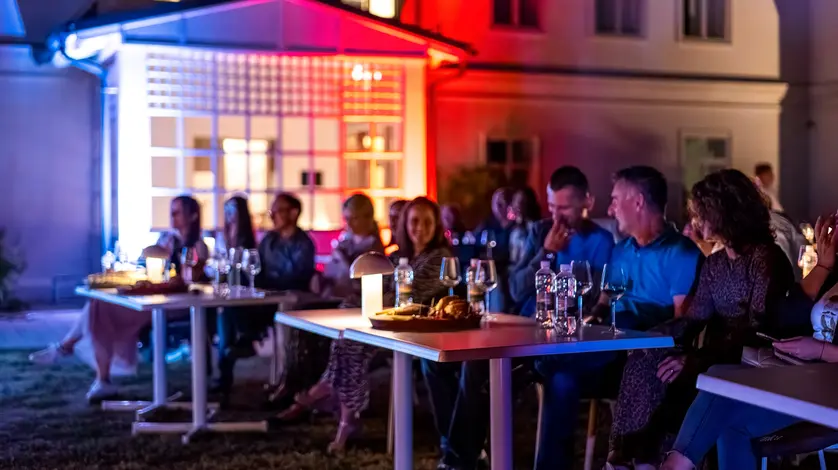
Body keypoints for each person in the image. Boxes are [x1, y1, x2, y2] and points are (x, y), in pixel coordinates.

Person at [605, 169, 795, 470]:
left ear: (724, 212)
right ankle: (630, 456)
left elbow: (757, 329)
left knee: (681, 375)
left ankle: (658, 454)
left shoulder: (766, 258)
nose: (695, 221)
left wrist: (695, 359)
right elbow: (694, 318)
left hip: (750, 358)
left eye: (701, 213)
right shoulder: (716, 262)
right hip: (712, 354)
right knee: (644, 359)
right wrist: (650, 338)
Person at [534, 166, 700, 470]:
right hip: (605, 351)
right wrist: (585, 323)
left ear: (638, 202)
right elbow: (603, 304)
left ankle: (544, 358)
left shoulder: (681, 252)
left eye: (614, 200)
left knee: (621, 329)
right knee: (560, 379)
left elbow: (683, 323)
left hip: (638, 358)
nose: (610, 210)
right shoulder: (621, 250)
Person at [660, 210, 838, 470]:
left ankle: (674, 465)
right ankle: (675, 463)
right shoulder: (834, 274)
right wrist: (823, 266)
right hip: (811, 377)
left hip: (829, 389)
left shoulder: (766, 257)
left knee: (726, 409)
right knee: (721, 383)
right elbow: (785, 316)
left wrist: (820, 351)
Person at [273, 196, 451, 452]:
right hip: (387, 325)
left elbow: (407, 298)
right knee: (348, 337)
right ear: (405, 224)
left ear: (436, 226)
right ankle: (346, 417)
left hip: (417, 331)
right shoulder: (399, 256)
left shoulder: (438, 258)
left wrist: (372, 298)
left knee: (351, 341)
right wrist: (365, 299)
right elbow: (379, 294)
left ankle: (334, 399)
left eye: (427, 222)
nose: (420, 228)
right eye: (414, 221)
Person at [30, 196, 209, 402]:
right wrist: (162, 252)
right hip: (159, 298)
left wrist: (173, 257)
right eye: (171, 212)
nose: (172, 217)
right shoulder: (168, 241)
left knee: (100, 306)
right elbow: (149, 265)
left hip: (180, 304)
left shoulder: (198, 246)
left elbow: (190, 279)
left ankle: (74, 356)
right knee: (99, 304)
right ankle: (97, 374)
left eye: (177, 212)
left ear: (192, 216)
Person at [509, 166, 614, 317]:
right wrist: (547, 252)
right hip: (529, 319)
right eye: (552, 206)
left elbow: (593, 300)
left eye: (564, 208)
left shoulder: (601, 241)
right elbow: (516, 291)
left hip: (568, 322)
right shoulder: (540, 231)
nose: (556, 217)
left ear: (588, 202)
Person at [214, 196, 258, 394]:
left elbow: (248, 272)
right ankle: (224, 371)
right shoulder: (223, 238)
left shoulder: (248, 241)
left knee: (225, 312)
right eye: (227, 210)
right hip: (228, 292)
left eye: (233, 210)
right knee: (222, 312)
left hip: (245, 294)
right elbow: (219, 265)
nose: (229, 215)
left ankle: (243, 342)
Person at [508, 186, 542, 265]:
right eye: (516, 201)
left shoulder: (537, 227)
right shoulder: (512, 228)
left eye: (523, 202)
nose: (518, 206)